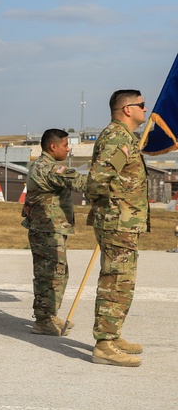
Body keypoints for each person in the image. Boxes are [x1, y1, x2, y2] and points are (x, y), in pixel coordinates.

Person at [83, 89, 150, 366]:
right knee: (115, 280)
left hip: (124, 221)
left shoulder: (125, 137)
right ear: (127, 109)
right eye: (142, 105)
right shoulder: (117, 138)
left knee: (123, 280)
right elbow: (98, 180)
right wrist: (114, 207)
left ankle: (113, 334)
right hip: (117, 221)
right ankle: (105, 344)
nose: (145, 110)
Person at [22, 129, 85, 336]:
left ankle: (49, 314)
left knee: (57, 273)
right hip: (47, 230)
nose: (68, 149)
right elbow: (78, 182)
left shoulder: (40, 165)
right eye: (65, 145)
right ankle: (43, 320)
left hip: (48, 229)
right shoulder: (49, 168)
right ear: (53, 147)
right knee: (49, 276)